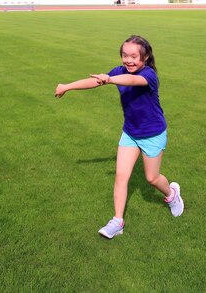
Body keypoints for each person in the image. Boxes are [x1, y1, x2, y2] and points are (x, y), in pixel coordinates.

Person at [55, 35, 184, 239]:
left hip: (153, 134)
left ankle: (171, 194)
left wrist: (110, 79)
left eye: (134, 56)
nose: (128, 60)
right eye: (125, 55)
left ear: (145, 56)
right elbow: (94, 81)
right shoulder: (119, 71)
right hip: (130, 133)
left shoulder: (149, 75)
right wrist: (66, 86)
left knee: (152, 178)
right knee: (121, 176)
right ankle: (118, 222)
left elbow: (132, 81)